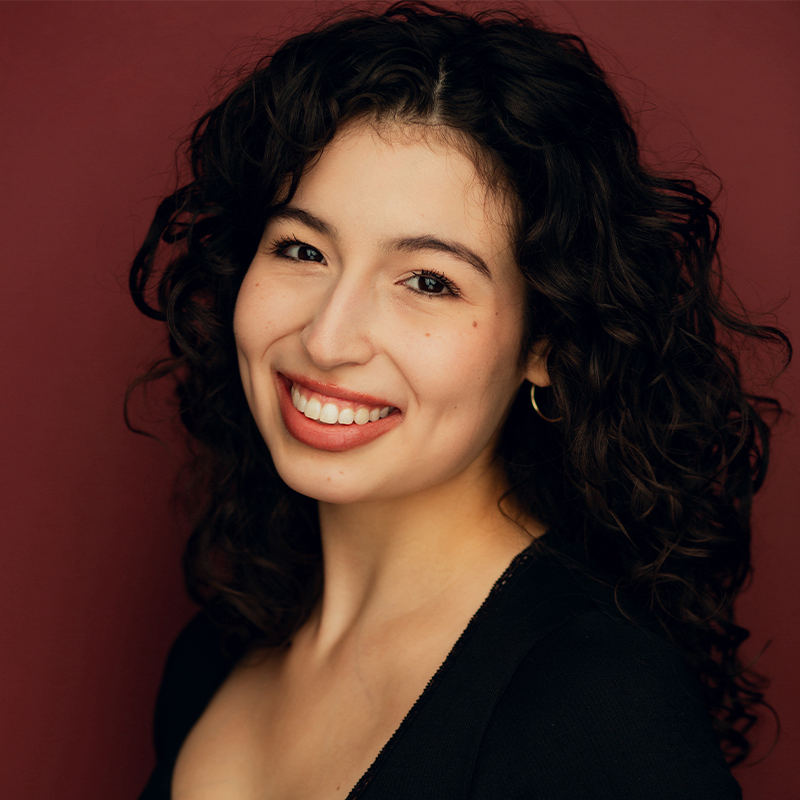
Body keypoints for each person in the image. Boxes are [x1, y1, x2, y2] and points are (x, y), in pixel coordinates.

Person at [129, 3, 789, 798]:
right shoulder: (213, 654)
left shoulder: (593, 696)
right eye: (302, 249)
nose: (330, 338)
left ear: (544, 343)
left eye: (429, 282)